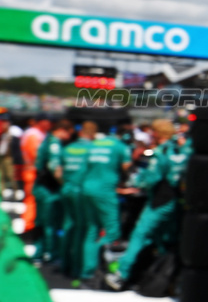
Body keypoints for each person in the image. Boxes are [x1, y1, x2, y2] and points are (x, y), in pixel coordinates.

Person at [107, 119, 190, 289]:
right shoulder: (182, 149)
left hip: (159, 200)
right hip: (177, 200)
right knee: (167, 238)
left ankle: (121, 274)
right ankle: (170, 276)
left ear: (157, 133)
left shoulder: (159, 153)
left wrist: (134, 184)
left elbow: (150, 178)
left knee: (139, 235)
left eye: (153, 132)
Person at [76, 122, 131, 282]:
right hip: (105, 190)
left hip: (87, 188)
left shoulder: (93, 145)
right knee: (112, 231)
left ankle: (87, 272)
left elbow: (85, 168)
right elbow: (127, 167)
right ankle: (105, 269)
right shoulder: (119, 146)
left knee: (92, 230)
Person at [32, 119, 73, 264]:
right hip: (49, 190)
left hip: (40, 186)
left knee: (41, 222)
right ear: (63, 130)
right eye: (69, 133)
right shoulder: (54, 143)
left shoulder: (46, 140)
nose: (69, 138)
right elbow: (55, 168)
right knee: (50, 223)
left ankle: (39, 252)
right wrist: (65, 185)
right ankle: (52, 254)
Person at [58, 122, 94, 281]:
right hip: (80, 191)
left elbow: (58, 171)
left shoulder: (67, 148)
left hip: (66, 188)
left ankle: (64, 262)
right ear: (92, 134)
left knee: (68, 225)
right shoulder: (92, 149)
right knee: (82, 229)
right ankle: (76, 268)